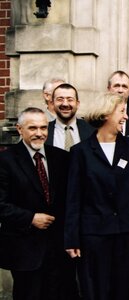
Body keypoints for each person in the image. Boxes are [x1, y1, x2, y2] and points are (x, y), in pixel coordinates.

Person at [64, 93, 129, 300]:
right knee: (96, 290)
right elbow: (74, 198)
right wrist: (71, 239)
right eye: (121, 112)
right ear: (106, 114)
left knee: (125, 289)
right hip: (94, 236)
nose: (126, 117)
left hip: (127, 233)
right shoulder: (81, 152)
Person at [0, 107, 77, 300]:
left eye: (43, 128)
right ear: (19, 129)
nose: (39, 133)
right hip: (25, 250)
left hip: (58, 250)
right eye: (32, 128)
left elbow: (71, 200)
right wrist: (30, 218)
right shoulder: (5, 160)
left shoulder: (61, 157)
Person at [45, 83, 94, 151]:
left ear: (77, 104)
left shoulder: (92, 130)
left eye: (70, 99)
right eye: (60, 99)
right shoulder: (44, 131)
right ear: (52, 104)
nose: (65, 104)